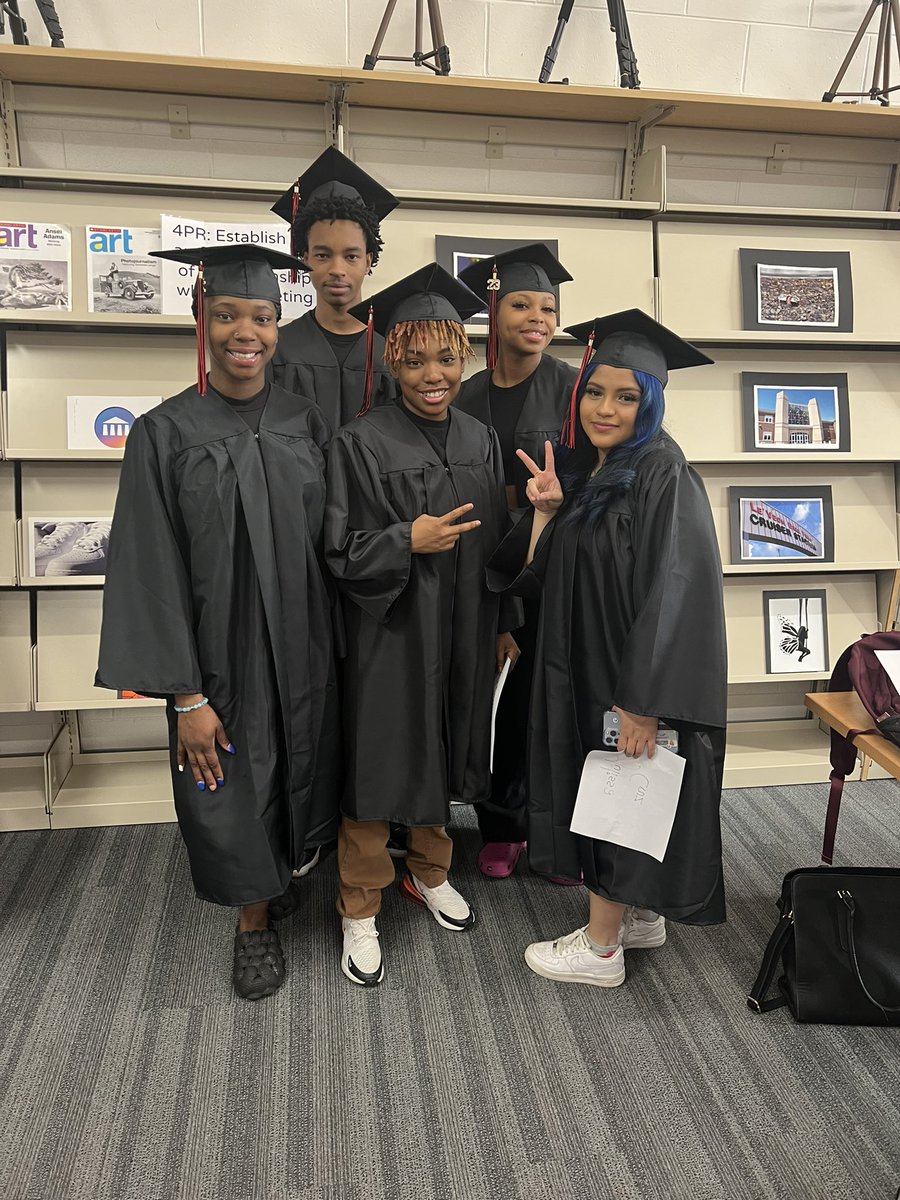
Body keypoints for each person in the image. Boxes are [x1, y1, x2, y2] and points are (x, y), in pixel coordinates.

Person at [96, 245, 341, 1001]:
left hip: (306, 646)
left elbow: (336, 537)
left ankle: (286, 876)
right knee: (233, 779)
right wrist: (185, 696)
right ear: (201, 318)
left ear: (277, 324)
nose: (247, 331)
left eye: (263, 317)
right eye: (228, 314)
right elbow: (149, 571)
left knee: (302, 766)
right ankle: (252, 923)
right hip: (219, 658)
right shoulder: (164, 432)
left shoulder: (305, 419)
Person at [488, 308, 727, 989]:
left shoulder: (662, 473)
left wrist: (644, 701)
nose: (605, 407)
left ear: (650, 403)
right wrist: (545, 512)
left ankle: (598, 950)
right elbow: (546, 577)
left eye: (626, 397)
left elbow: (675, 593)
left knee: (620, 793)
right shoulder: (597, 470)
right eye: (595, 390)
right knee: (612, 791)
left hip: (627, 677)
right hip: (586, 665)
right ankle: (636, 916)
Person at [324, 263, 520, 987]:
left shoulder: (479, 436)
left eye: (446, 356)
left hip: (465, 627)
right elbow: (337, 549)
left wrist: (503, 621)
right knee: (381, 759)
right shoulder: (360, 441)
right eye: (415, 358)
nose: (432, 373)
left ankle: (431, 872)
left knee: (445, 744)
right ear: (392, 359)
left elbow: (497, 540)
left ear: (463, 356)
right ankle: (360, 904)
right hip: (393, 633)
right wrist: (407, 538)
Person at [455, 243, 578, 880]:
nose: (539, 316)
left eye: (549, 307)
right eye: (523, 304)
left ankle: (557, 836)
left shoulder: (573, 387)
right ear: (492, 309)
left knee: (551, 701)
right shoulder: (467, 394)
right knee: (497, 703)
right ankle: (500, 825)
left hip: (556, 568)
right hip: (485, 568)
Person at [270, 146, 399, 428]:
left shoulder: (394, 351)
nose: (337, 269)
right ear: (304, 259)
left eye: (351, 256)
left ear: (369, 261)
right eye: (322, 255)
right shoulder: (278, 349)